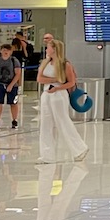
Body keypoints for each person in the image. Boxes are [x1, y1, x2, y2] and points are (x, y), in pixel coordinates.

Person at [37, 33, 87, 163]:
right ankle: (47, 155)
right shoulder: (45, 63)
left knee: (62, 121)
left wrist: (58, 87)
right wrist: (55, 79)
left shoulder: (65, 64)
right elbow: (40, 79)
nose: (47, 49)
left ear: (54, 48)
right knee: (45, 124)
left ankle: (79, 149)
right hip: (46, 94)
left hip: (58, 95)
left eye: (48, 47)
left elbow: (71, 82)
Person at [0, 41, 21, 130]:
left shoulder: (14, 61)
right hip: (0, 84)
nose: (6, 52)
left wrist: (11, 85)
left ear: (11, 51)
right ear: (1, 51)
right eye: (4, 50)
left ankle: (14, 120)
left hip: (12, 84)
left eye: (8, 50)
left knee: (13, 103)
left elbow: (18, 73)